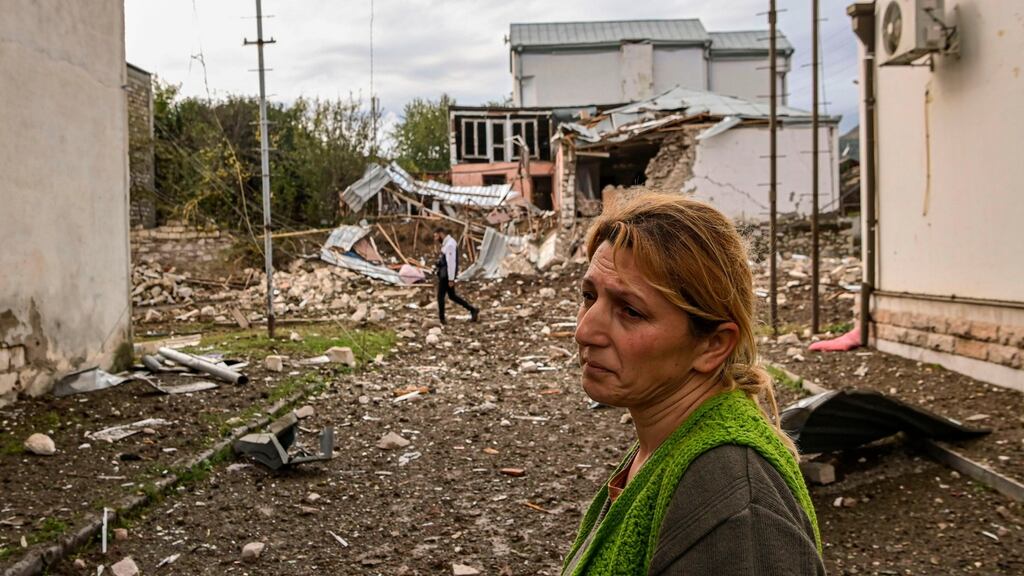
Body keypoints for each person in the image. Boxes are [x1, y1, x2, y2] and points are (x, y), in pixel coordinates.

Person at [562, 193, 824, 576]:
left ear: (712, 345)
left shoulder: (733, 499)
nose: (584, 331)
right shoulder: (666, 449)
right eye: (589, 296)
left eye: (631, 311)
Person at [434, 227, 479, 324]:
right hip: (445, 274)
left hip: (446, 276)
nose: (436, 239)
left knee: (440, 296)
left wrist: (451, 279)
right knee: (452, 296)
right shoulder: (446, 244)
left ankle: (442, 319)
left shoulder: (450, 245)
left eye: (437, 236)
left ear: (441, 234)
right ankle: (472, 309)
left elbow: (451, 263)